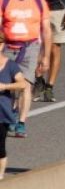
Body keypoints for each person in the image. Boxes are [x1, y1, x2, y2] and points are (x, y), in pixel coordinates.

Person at [0, 0, 50, 137]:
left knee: (25, 85)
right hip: (8, 47)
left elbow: (47, 31)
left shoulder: (39, 2)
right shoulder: (5, 2)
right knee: (9, 87)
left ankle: (21, 122)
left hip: (30, 47)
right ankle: (11, 114)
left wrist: (45, 56)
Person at [0, 46, 28, 174]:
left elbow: (23, 84)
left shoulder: (10, 66)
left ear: (1, 46)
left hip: (3, 113)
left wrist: (5, 86)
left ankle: (0, 175)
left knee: (0, 148)